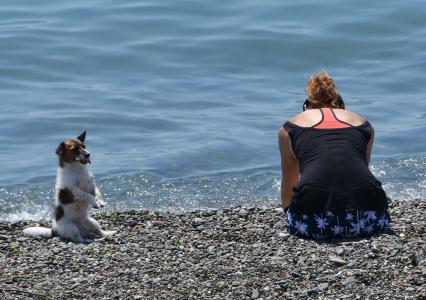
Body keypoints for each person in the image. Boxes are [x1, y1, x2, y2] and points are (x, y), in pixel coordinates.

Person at [278, 70, 390, 239]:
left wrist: (290, 214)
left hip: (313, 224)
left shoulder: (289, 129)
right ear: (342, 106)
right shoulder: (365, 125)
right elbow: (354, 172)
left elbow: (288, 188)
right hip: (371, 219)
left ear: (306, 107)